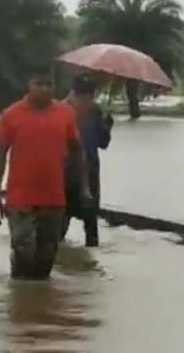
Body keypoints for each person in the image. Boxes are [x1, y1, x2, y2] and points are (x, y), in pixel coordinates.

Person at [0, 66, 91, 280]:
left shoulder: (65, 114)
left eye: (49, 84)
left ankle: (37, 307)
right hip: (20, 199)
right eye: (39, 84)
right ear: (29, 85)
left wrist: (84, 187)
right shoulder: (11, 115)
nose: (44, 89)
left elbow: (77, 151)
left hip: (53, 198)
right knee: (24, 252)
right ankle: (18, 301)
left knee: (45, 260)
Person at [62, 75, 113, 247]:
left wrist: (107, 127)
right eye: (81, 95)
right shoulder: (60, 112)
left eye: (89, 96)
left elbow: (103, 143)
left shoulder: (95, 111)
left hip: (90, 172)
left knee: (91, 221)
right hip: (66, 173)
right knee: (61, 221)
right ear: (72, 94)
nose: (85, 100)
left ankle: (91, 263)